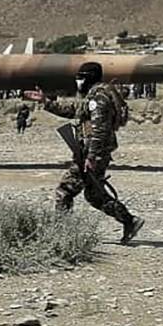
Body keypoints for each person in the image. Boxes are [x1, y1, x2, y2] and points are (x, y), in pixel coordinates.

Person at [25, 62, 144, 245]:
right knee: (94, 195)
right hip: (89, 153)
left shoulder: (99, 98)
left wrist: (92, 157)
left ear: (89, 77)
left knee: (65, 191)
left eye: (81, 77)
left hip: (92, 154)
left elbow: (100, 130)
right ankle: (130, 221)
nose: (78, 80)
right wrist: (45, 102)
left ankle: (61, 234)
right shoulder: (91, 96)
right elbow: (73, 110)